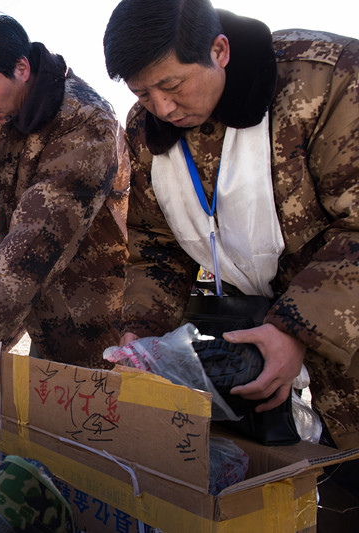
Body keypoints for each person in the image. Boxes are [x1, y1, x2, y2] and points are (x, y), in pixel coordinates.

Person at [103, 0, 359, 450]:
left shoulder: (327, 80)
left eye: (172, 85)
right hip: (262, 354)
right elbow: (156, 246)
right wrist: (140, 334)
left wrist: (296, 328)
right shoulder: (146, 129)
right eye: (143, 94)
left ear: (219, 51)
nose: (162, 108)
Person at [0, 15, 129, 381]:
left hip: (93, 313)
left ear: (21, 68)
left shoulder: (84, 121)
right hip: (40, 308)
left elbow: (41, 229)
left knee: (100, 420)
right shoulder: (9, 116)